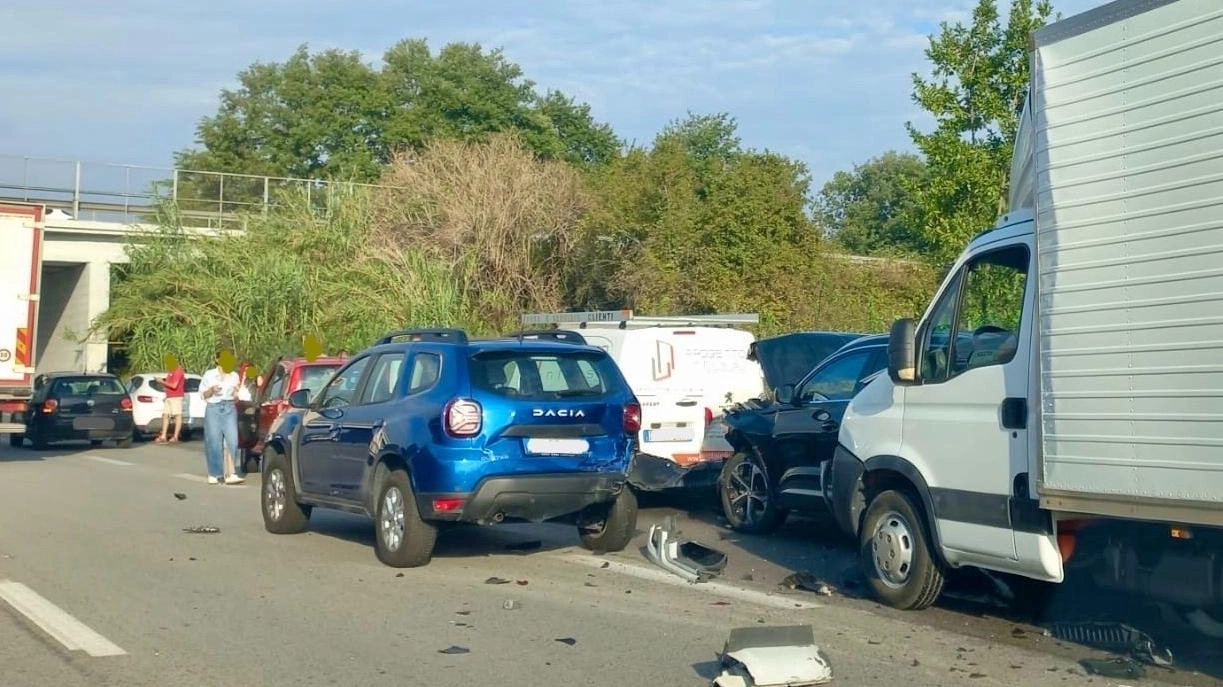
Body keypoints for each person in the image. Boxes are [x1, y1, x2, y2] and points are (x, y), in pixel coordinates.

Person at [200, 351, 244, 485]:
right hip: (213, 407)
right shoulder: (209, 374)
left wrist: (237, 393)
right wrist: (212, 390)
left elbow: (236, 396)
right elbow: (203, 395)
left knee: (233, 440)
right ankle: (215, 473)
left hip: (229, 407)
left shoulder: (234, 376)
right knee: (214, 440)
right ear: (217, 360)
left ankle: (231, 473)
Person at [156, 357, 186, 444]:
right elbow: (169, 384)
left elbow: (174, 385)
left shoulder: (178, 371)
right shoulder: (171, 371)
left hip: (176, 396)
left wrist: (161, 381)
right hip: (169, 396)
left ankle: (175, 436)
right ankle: (163, 436)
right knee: (165, 415)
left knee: (177, 415)